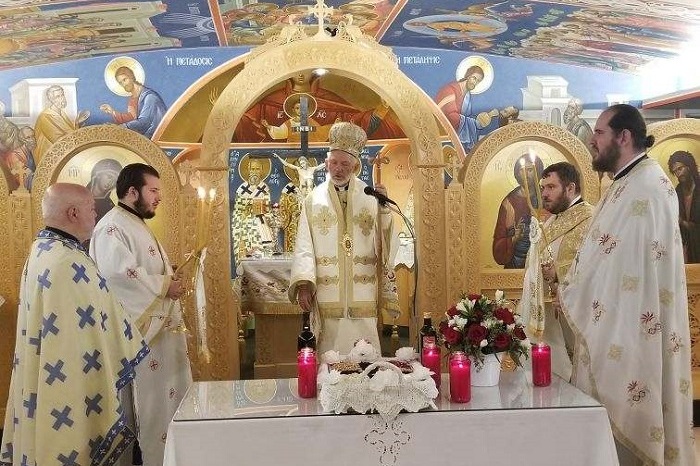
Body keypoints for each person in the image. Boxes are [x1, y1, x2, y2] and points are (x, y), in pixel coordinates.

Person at [559, 104, 694, 465]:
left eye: (599, 132)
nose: (592, 140)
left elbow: (630, 269)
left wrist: (574, 290)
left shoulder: (647, 187)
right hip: (615, 317)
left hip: (633, 323)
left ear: (624, 137)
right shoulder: (625, 182)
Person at [0, 183, 148, 465]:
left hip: (51, 371)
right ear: (73, 213)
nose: (95, 215)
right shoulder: (68, 261)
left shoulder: (41, 251)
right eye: (91, 209)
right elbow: (101, 318)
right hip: (69, 379)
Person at [89, 163, 192, 466]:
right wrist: (164, 285)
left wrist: (170, 275)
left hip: (159, 336)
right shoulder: (111, 227)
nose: (159, 197)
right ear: (133, 192)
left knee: (165, 400)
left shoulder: (133, 223)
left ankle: (173, 457)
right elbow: (117, 275)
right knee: (149, 406)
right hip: (143, 338)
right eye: (154, 190)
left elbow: (142, 269)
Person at [288, 121, 399, 354]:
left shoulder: (370, 197)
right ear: (327, 163)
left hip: (363, 293)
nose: (338, 169)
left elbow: (387, 243)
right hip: (328, 294)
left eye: (344, 164)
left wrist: (384, 209)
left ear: (355, 165)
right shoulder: (313, 200)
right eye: (334, 163)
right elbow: (304, 245)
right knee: (331, 359)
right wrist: (304, 285)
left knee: (366, 358)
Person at [518, 162, 592, 381]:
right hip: (550, 315)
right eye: (543, 188)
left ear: (570, 188)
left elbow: (594, 267)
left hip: (576, 315)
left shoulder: (591, 219)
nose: (544, 194)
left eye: (551, 187)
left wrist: (558, 274)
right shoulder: (552, 221)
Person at [492, 154, 544, 269]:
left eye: (530, 170)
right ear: (517, 173)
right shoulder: (509, 203)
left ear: (538, 171)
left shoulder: (547, 198)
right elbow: (498, 246)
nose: (525, 174)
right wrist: (514, 238)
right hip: (516, 264)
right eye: (522, 170)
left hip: (542, 264)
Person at [435, 65, 498, 151]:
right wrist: (474, 123)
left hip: (454, 136)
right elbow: (451, 117)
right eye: (474, 78)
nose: (475, 83)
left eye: (478, 81)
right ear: (468, 75)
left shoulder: (467, 97)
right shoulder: (450, 90)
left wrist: (479, 122)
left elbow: (466, 117)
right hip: (440, 132)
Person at [100, 66, 167, 139]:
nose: (123, 84)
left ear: (131, 77)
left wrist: (119, 127)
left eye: (124, 79)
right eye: (120, 83)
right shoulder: (132, 99)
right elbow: (132, 118)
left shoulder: (150, 96)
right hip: (144, 136)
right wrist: (112, 112)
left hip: (157, 135)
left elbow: (144, 121)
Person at [34, 85, 90, 165]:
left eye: (62, 95)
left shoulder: (62, 113)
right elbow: (58, 140)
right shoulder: (45, 116)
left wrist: (77, 123)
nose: (62, 98)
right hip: (50, 158)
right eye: (58, 96)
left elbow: (69, 132)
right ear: (51, 99)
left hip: (61, 155)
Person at [231, 156, 274, 259]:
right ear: (249, 170)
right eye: (252, 169)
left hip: (261, 222)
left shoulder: (264, 188)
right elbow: (238, 209)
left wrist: (267, 214)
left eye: (257, 169)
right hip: (246, 223)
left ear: (261, 171)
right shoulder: (242, 189)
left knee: (264, 246)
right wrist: (250, 205)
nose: (255, 172)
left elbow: (267, 207)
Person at [668, 150, 700, 263]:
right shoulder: (677, 192)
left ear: (689, 166)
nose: (678, 174)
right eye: (675, 171)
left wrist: (683, 222)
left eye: (680, 168)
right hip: (686, 248)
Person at [86, 157, 123, 223]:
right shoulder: (77, 196)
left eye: (115, 180)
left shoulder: (110, 208)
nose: (111, 182)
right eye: (109, 176)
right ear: (98, 175)